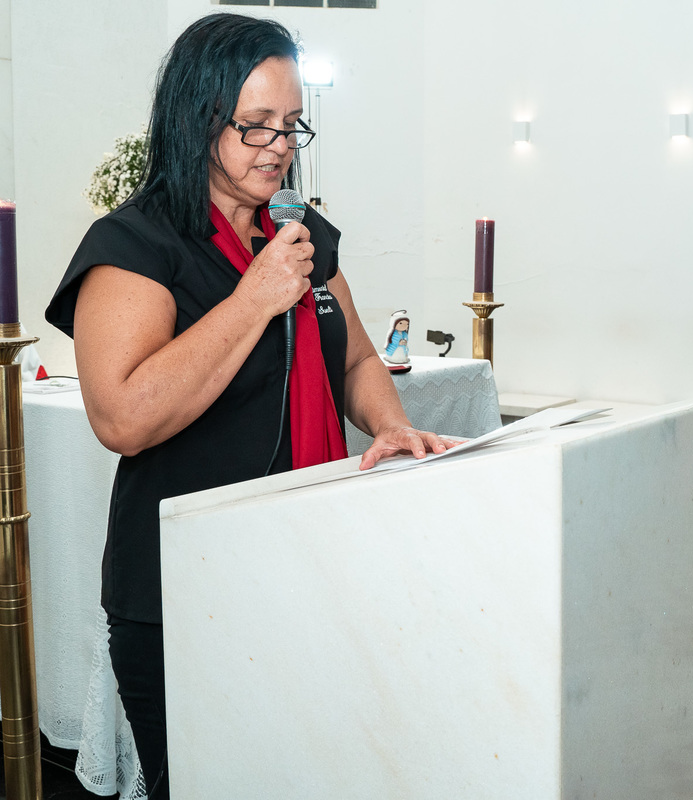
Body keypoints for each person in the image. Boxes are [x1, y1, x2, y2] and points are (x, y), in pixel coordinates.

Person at [44, 14, 452, 798]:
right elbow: (122, 418)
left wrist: (392, 424)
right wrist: (253, 299)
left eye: (291, 125)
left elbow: (355, 358)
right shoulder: (135, 245)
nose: (278, 146)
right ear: (197, 118)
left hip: (312, 565)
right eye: (256, 124)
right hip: (185, 591)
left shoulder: (300, 233)